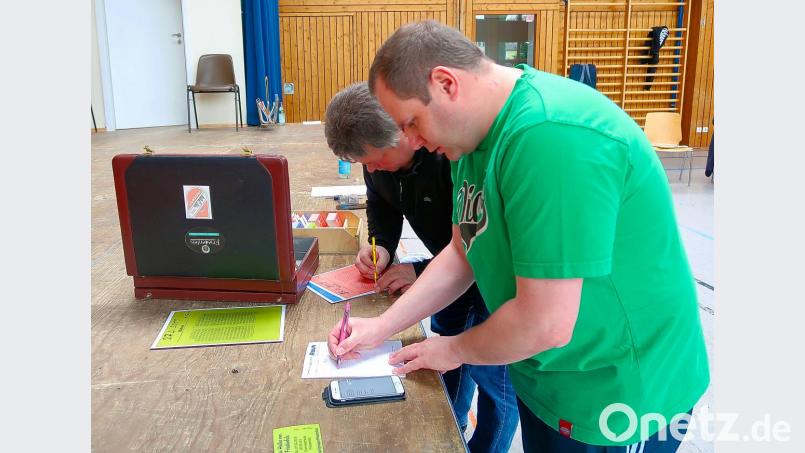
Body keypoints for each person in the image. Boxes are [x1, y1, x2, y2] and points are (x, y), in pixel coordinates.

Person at [328, 20, 710, 452]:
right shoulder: (469, 141)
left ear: (446, 84)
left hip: (615, 393)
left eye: (412, 123)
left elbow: (545, 323)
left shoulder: (551, 137)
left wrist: (453, 349)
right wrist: (381, 328)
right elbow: (462, 252)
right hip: (547, 377)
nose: (413, 141)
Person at [324, 82, 518, 453]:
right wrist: (381, 247)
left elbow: (481, 246)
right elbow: (381, 204)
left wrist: (419, 269)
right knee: (444, 358)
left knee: (496, 383)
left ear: (402, 132)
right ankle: (452, 432)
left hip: (494, 284)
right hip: (445, 278)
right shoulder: (377, 160)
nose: (372, 169)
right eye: (364, 164)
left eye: (375, 159)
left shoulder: (451, 155)